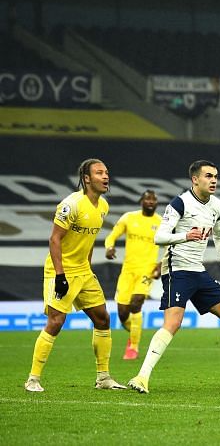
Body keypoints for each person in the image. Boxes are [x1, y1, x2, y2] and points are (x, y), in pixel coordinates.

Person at [127, 160, 220, 393]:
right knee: (173, 322)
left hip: (197, 270)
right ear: (195, 179)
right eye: (208, 176)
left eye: (216, 176)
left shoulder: (218, 206)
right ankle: (141, 377)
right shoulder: (180, 203)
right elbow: (159, 237)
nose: (214, 180)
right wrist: (185, 236)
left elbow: (219, 237)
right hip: (177, 269)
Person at [24, 158, 126, 392]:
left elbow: (89, 241)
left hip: (83, 271)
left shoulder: (103, 206)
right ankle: (33, 379)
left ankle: (103, 378)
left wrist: (87, 268)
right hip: (62, 271)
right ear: (87, 178)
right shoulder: (71, 204)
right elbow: (55, 239)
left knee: (102, 319)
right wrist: (60, 275)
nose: (106, 176)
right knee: (56, 321)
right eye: (100, 173)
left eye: (107, 172)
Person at [104, 189, 161, 360]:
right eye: (147, 199)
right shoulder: (129, 218)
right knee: (122, 313)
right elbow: (111, 236)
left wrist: (161, 265)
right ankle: (135, 332)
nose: (150, 202)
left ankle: (133, 347)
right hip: (128, 270)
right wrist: (109, 247)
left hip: (147, 269)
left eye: (153, 200)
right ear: (141, 202)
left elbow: (171, 247)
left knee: (137, 303)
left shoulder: (161, 223)